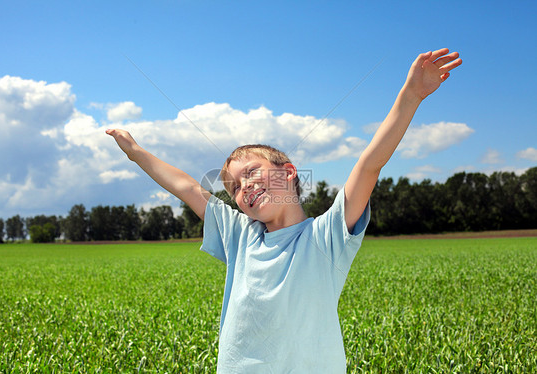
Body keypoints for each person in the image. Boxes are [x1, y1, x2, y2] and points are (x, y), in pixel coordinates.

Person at [106, 48, 462, 372]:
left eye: (251, 172)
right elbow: (186, 187)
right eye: (234, 187)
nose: (244, 187)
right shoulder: (239, 235)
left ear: (289, 172)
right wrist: (135, 152)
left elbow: (369, 164)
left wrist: (411, 96)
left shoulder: (325, 237)